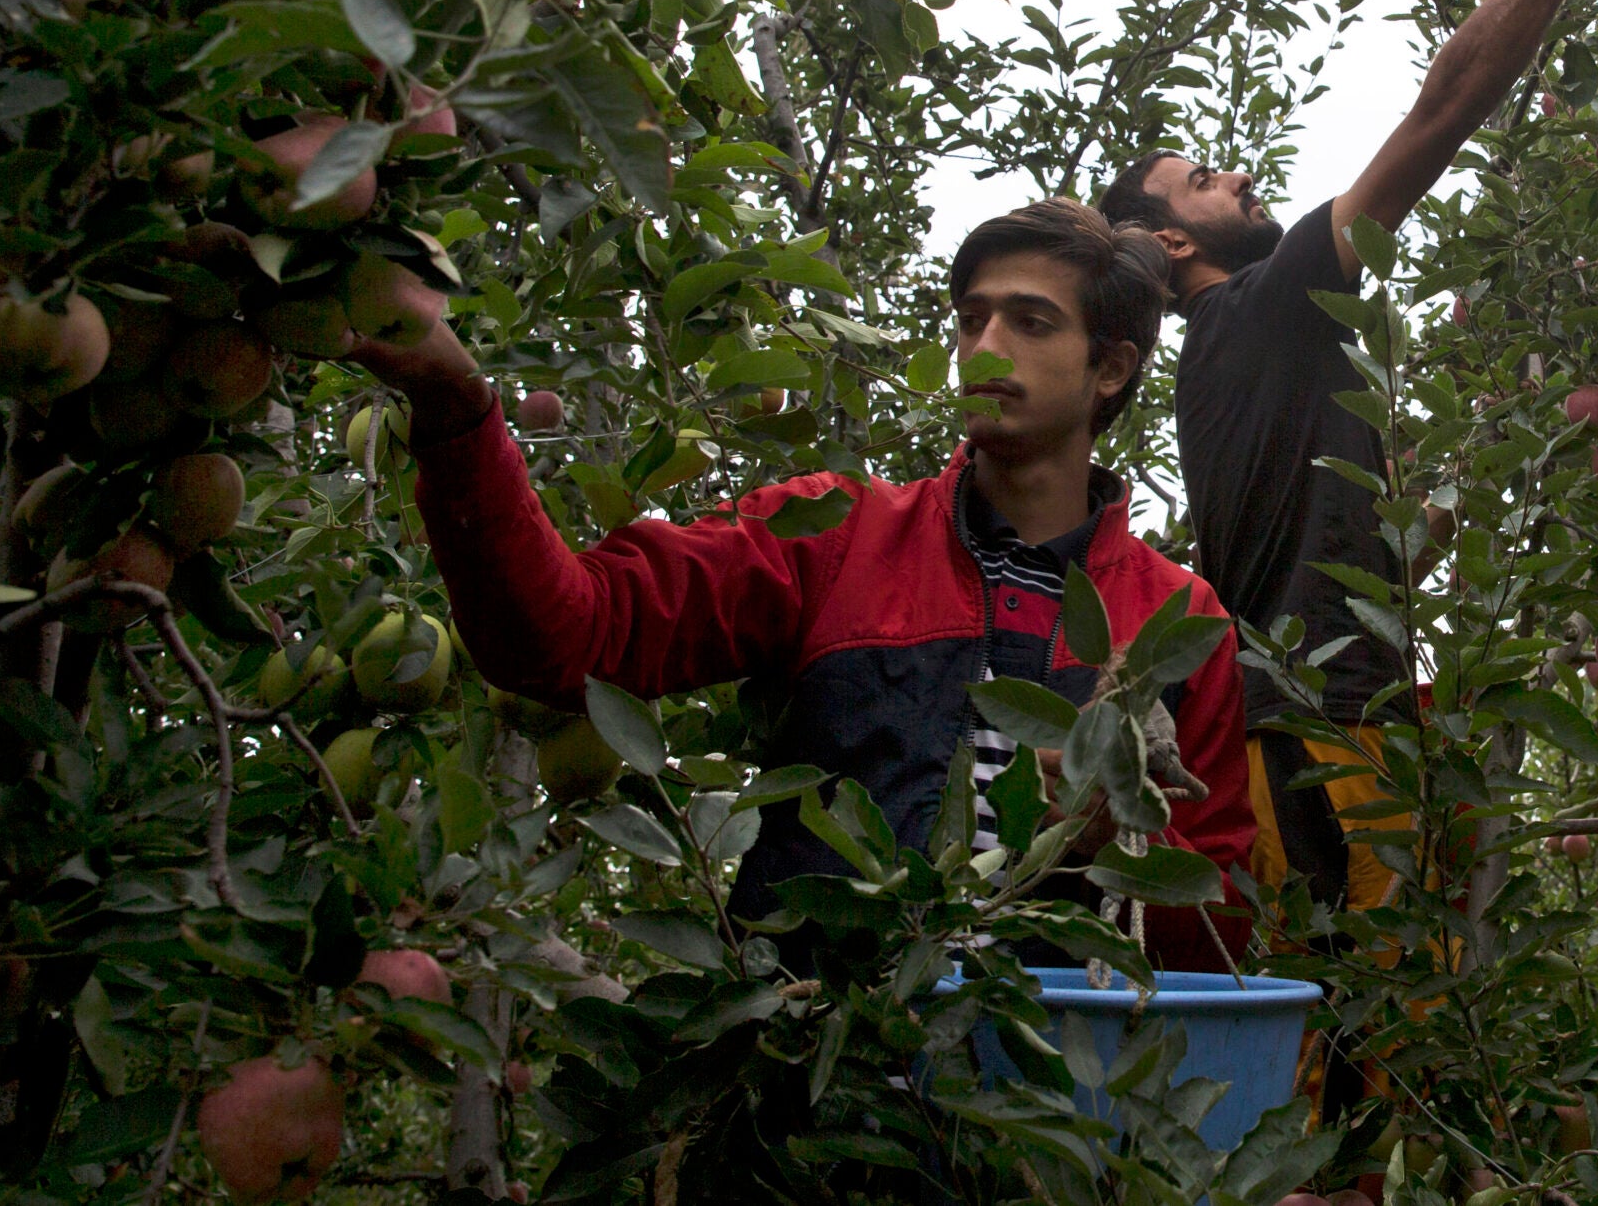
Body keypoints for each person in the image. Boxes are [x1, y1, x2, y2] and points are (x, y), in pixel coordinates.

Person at [353, 198, 1255, 970]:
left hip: (1052, 1123)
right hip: (815, 1095)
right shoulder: (831, 534)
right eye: (970, 318)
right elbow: (564, 639)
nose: (984, 346)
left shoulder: (1178, 620)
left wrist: (1115, 844)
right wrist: (458, 409)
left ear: (1111, 367)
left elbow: (1224, 934)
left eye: (1030, 321)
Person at [1096, 0, 1598, 1023]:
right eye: (1203, 176)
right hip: (1317, 736)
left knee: (1380, 1062)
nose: (1237, 173)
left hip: (1329, 727)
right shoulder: (1268, 305)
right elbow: (1447, 103)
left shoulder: (1233, 360)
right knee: (1351, 1060)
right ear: (1163, 240)